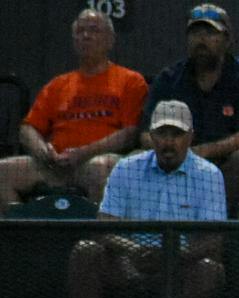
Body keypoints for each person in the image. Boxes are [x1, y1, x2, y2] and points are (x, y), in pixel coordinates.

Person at [67, 100, 227, 298]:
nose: (168, 142)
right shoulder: (126, 168)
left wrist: (172, 255)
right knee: (86, 251)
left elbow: (214, 241)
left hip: (178, 266)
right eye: (162, 134)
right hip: (130, 262)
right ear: (151, 136)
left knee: (210, 270)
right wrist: (133, 250)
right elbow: (103, 225)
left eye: (177, 134)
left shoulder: (209, 174)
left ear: (190, 137)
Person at [0, 8, 146, 209]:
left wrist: (83, 153)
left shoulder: (130, 81)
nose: (86, 36)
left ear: (110, 40)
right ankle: (23, 234)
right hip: (54, 165)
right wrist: (43, 151)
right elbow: (27, 129)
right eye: (80, 31)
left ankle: (98, 238)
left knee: (99, 168)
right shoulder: (58, 85)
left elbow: (130, 134)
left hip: (95, 162)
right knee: (4, 171)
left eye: (94, 30)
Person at [141, 5, 239, 205]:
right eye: (195, 33)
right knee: (137, 157)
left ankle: (222, 231)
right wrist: (174, 151)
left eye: (210, 33)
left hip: (222, 161)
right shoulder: (169, 79)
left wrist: (200, 153)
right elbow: (145, 133)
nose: (201, 40)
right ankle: (149, 229)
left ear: (227, 39)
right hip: (172, 158)